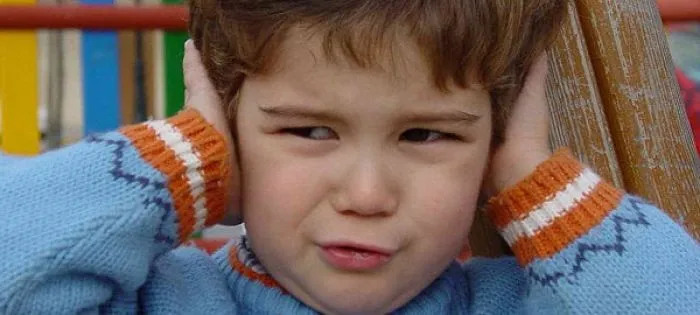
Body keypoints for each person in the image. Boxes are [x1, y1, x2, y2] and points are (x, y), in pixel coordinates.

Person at [1, 1, 699, 314]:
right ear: (229, 131)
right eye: (309, 131)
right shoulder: (163, 299)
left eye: (427, 135)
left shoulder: (525, 303)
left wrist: (530, 175)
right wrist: (186, 161)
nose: (366, 194)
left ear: (489, 151)